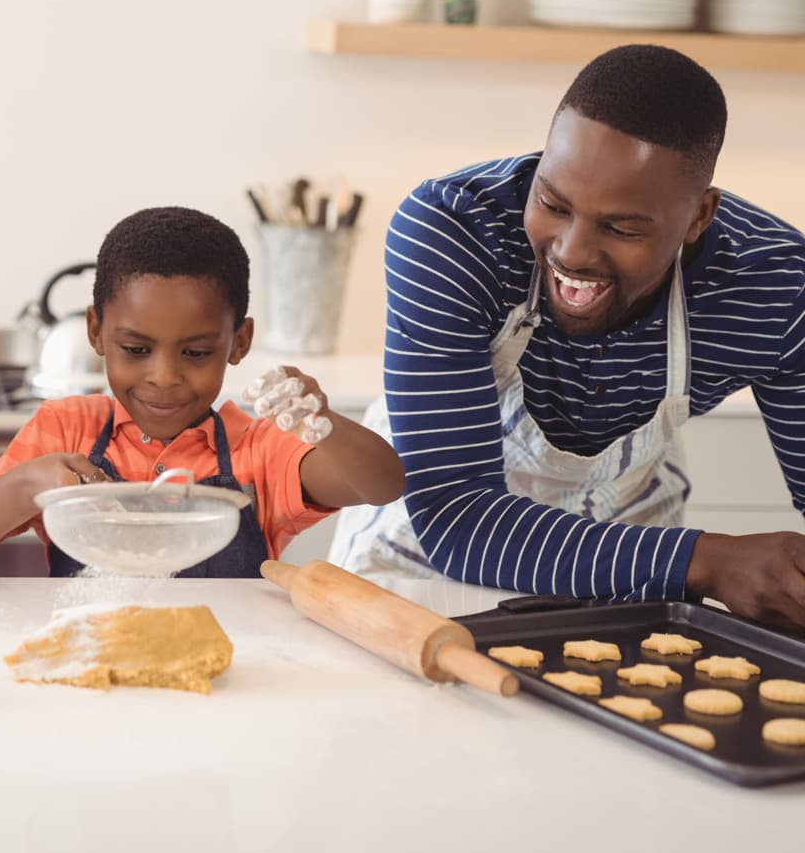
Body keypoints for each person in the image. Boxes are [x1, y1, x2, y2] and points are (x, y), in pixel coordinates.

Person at [330, 44, 805, 631]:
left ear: (699, 217)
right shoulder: (453, 231)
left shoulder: (776, 289)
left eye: (621, 227)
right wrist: (708, 561)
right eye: (552, 203)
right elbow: (456, 518)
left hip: (633, 564)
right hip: (423, 570)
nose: (572, 251)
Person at [0, 206, 405, 575]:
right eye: (136, 349)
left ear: (238, 342)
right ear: (96, 331)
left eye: (195, 353)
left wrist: (323, 425)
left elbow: (383, 485)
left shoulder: (258, 448)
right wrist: (27, 485)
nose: (164, 376)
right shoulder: (67, 427)